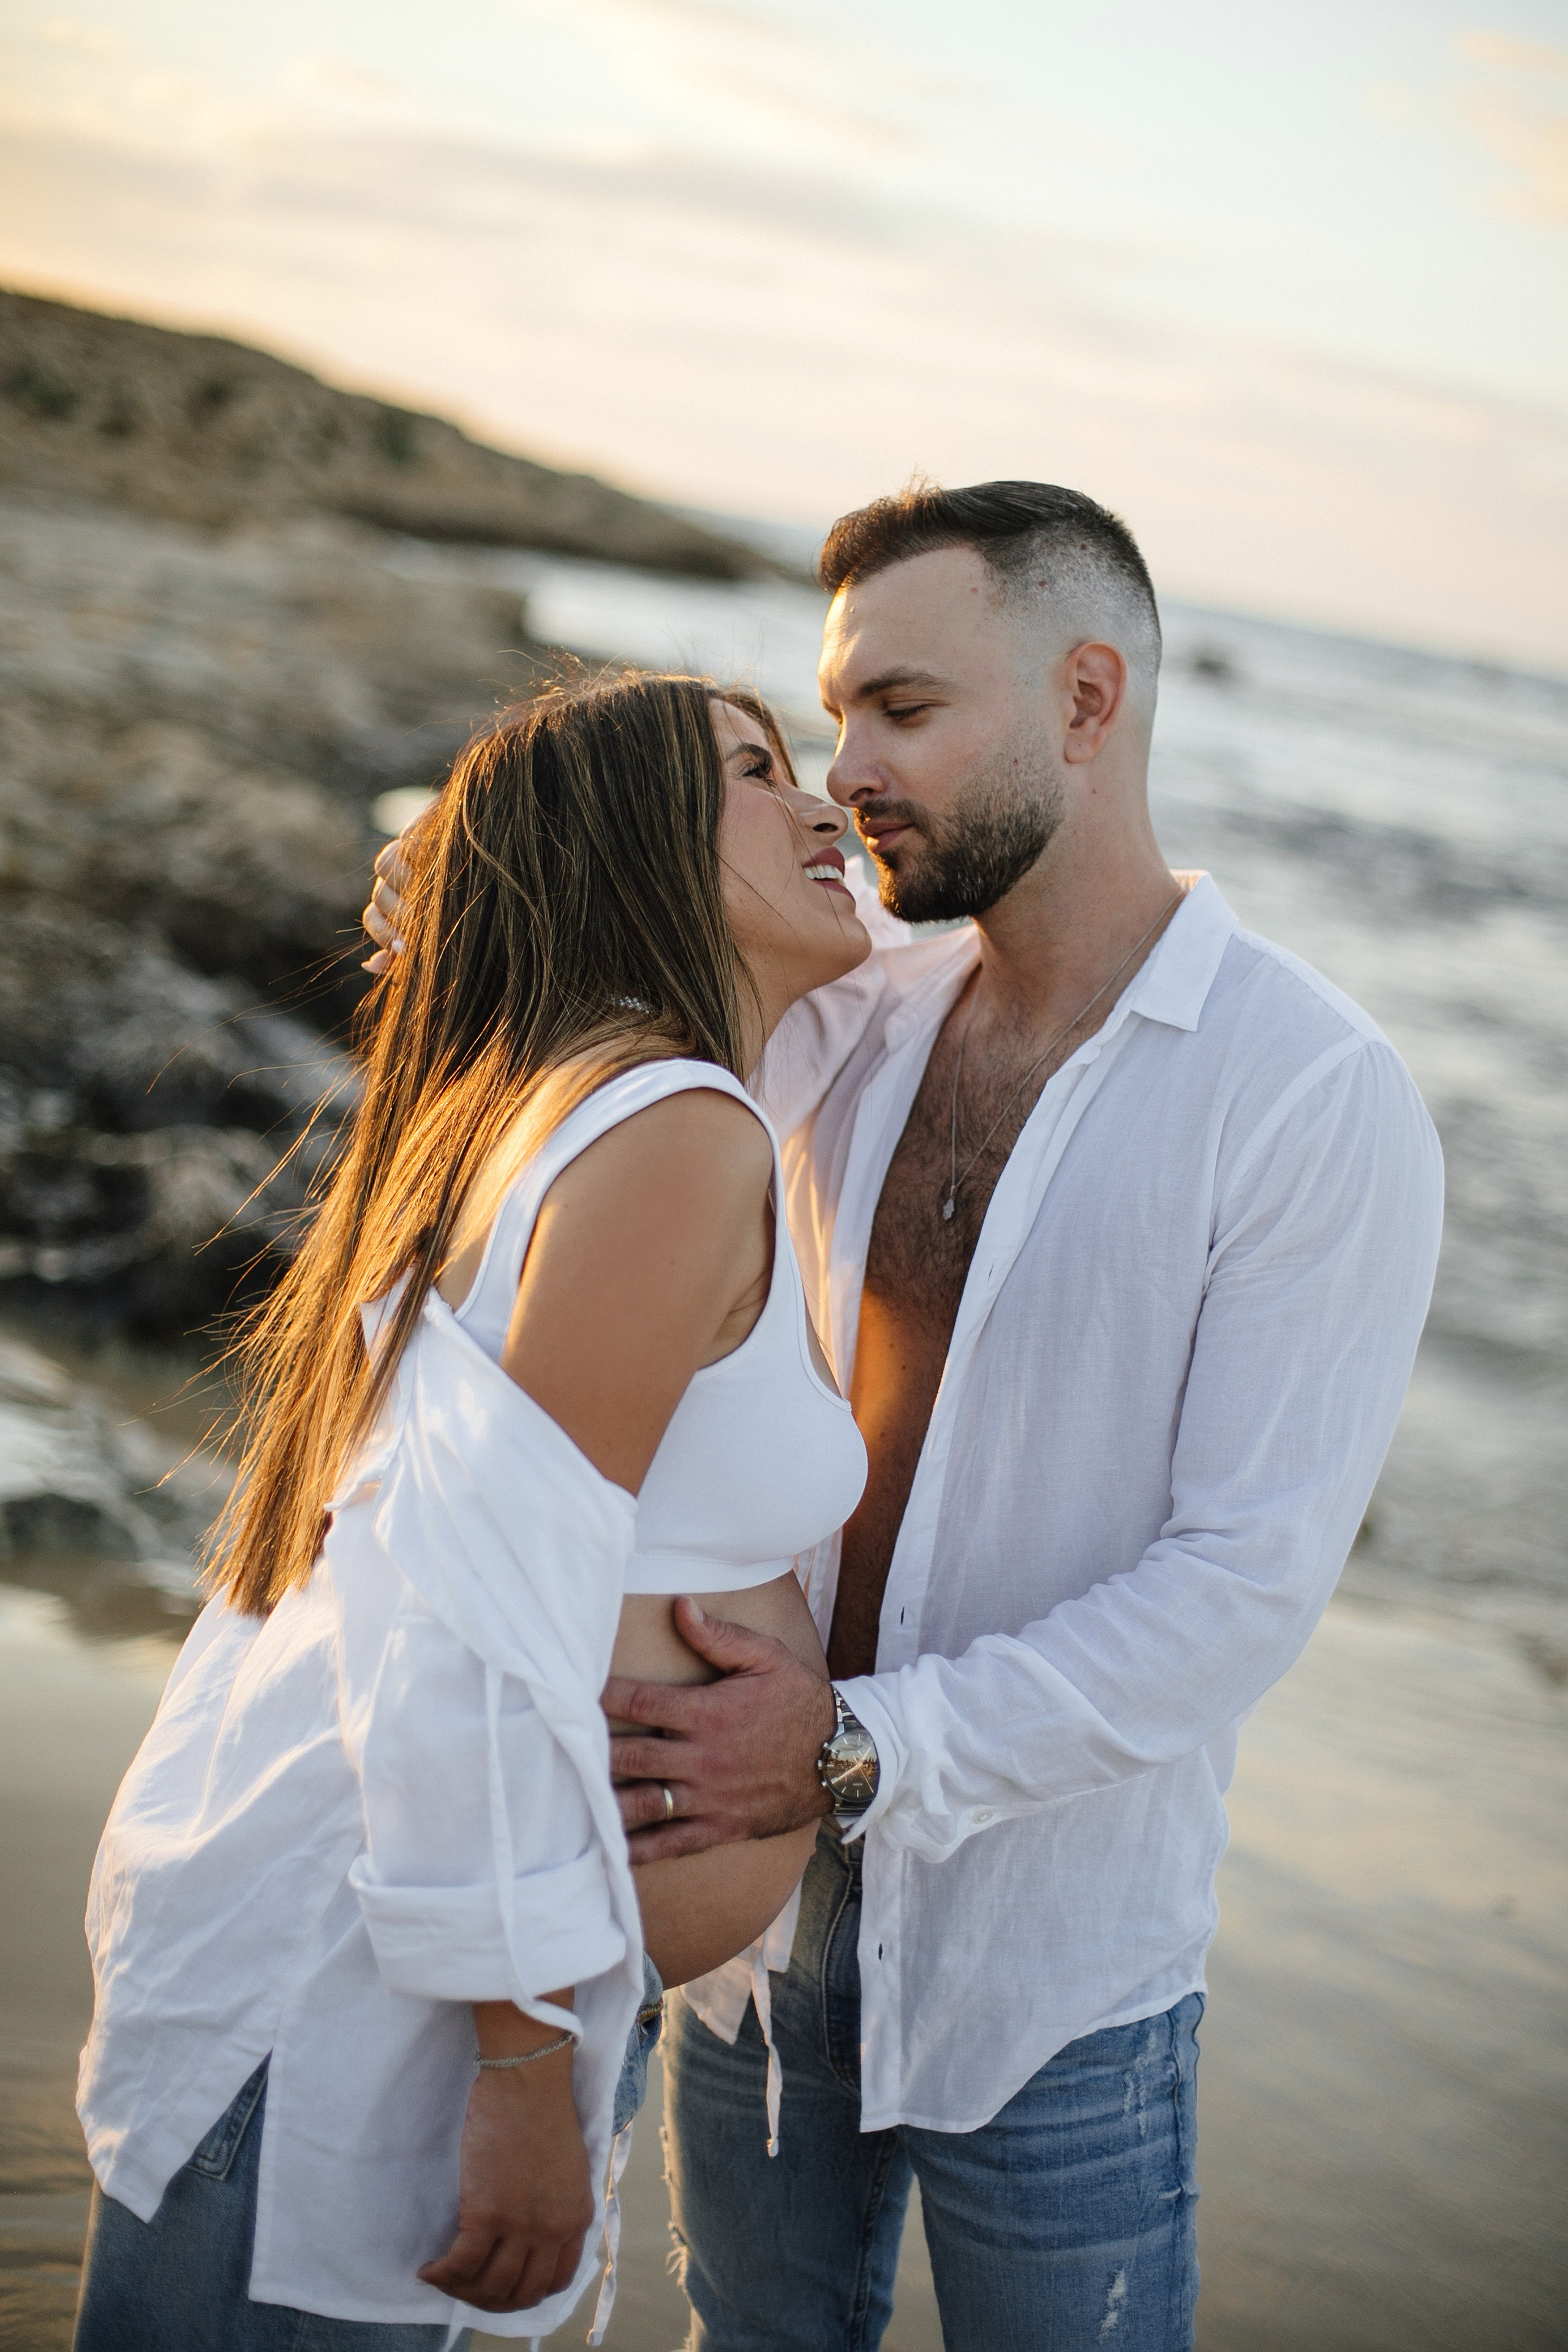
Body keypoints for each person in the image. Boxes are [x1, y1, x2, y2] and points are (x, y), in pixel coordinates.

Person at [586, 483, 1445, 2351]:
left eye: (902, 709)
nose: (846, 773)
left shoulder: (1313, 1098)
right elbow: (583, 1051)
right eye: (831, 719)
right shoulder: (844, 1025)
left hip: (1052, 1976)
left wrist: (849, 1748)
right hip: (738, 1919)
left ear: (1084, 699)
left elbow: (1242, 1590)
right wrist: (460, 884)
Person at [72, 674, 871, 2349]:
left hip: (419, 1974)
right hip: (399, 2021)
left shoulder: (566, 1091)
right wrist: (519, 2053)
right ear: (635, 843)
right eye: (758, 773)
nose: (829, 811)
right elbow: (471, 1599)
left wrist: (475, 840)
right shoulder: (670, 1135)